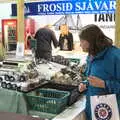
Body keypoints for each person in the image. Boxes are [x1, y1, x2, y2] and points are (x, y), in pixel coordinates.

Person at [78, 24, 120, 120]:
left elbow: (102, 82)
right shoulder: (91, 55)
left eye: (82, 41)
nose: (80, 44)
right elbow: (93, 79)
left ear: (91, 41)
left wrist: (104, 84)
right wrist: (85, 84)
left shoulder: (115, 56)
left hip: (111, 111)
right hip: (93, 109)